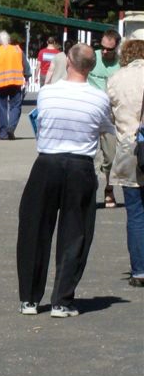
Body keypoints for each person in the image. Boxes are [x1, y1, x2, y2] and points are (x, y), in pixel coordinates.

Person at [17, 43, 115, 317]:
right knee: (76, 232)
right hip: (80, 166)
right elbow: (107, 129)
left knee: (34, 229)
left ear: (69, 63)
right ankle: (61, 300)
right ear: (91, 67)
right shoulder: (99, 99)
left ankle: (29, 299)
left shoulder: (47, 93)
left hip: (47, 163)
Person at [105, 38, 144, 287]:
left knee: (136, 213)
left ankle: (139, 270)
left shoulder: (116, 79)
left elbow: (108, 116)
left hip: (130, 150)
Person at [89, 29, 122, 208]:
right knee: (90, 156)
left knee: (111, 156)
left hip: (110, 116)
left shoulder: (120, 64)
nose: (104, 51)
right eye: (102, 47)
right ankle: (88, 192)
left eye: (109, 49)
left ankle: (109, 188)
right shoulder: (91, 57)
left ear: (116, 47)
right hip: (90, 114)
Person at [0, 31, 31, 140]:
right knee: (16, 106)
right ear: (9, 40)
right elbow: (26, 65)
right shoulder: (17, 50)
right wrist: (27, 77)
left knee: (2, 109)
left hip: (0, 84)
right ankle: (11, 127)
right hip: (16, 83)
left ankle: (3, 134)